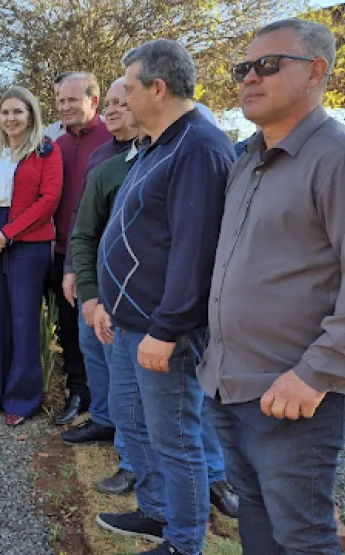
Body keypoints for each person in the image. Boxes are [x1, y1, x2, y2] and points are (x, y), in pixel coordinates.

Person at [200, 18, 345, 553]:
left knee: (304, 537)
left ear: (316, 72)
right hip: (229, 384)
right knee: (256, 518)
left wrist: (315, 374)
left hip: (293, 396)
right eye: (243, 68)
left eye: (268, 65)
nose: (249, 78)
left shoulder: (335, 159)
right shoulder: (247, 163)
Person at [94, 40, 236, 555]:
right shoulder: (160, 143)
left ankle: (184, 542)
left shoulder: (198, 146)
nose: (122, 100)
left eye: (128, 88)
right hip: (131, 321)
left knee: (176, 440)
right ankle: (156, 513)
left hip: (161, 331)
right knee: (138, 425)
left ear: (158, 87)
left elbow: (195, 251)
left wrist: (167, 329)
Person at [59, 78, 138, 494]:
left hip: (131, 283)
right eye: (109, 103)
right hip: (93, 275)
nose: (112, 110)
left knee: (126, 367)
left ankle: (131, 456)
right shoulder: (102, 156)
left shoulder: (151, 153)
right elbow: (82, 223)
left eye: (121, 103)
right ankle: (104, 420)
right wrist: (73, 268)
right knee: (94, 350)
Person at [0, 86, 63, 427]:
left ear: (31, 115)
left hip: (28, 240)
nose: (10, 118)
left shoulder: (45, 151)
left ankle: (22, 399)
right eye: (4, 113)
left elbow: (48, 199)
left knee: (23, 319)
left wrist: (8, 233)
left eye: (17, 112)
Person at [53, 72, 112, 425]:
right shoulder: (57, 145)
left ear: (93, 100)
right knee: (69, 329)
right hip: (62, 251)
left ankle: (110, 406)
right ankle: (79, 392)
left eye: (72, 100)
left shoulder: (114, 138)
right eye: (60, 101)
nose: (65, 107)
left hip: (100, 253)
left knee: (99, 330)